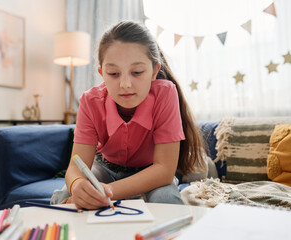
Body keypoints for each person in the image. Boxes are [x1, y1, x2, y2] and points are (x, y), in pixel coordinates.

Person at [51, 20, 205, 210]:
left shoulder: (165, 93)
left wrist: (106, 192)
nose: (125, 84)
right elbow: (76, 166)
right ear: (102, 73)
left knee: (166, 198)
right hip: (106, 167)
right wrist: (77, 185)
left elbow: (164, 171)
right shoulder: (90, 101)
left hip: (151, 171)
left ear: (154, 71)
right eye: (114, 73)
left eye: (137, 72)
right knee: (67, 196)